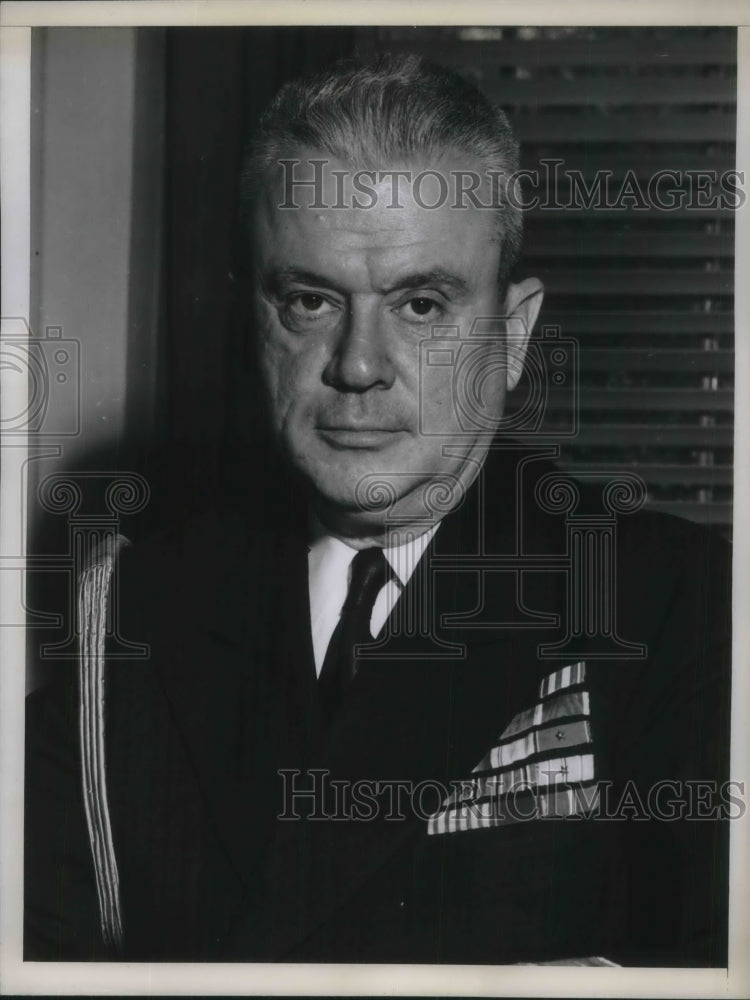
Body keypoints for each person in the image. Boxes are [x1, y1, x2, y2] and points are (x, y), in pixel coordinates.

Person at [24, 52, 732, 966]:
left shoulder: (672, 601)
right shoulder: (135, 600)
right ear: (254, 322)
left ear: (513, 337)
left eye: (423, 304)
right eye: (310, 300)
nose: (358, 364)